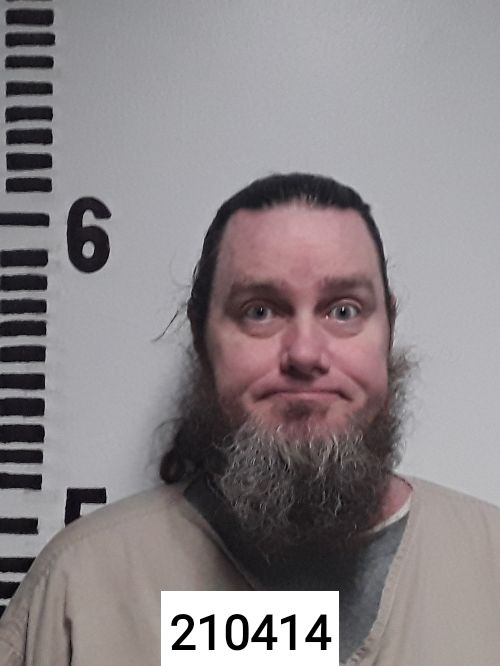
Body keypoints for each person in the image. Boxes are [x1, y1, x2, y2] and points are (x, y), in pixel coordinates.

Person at [1, 173, 499, 665]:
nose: (305, 353)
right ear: (202, 337)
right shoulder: (79, 593)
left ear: (388, 328)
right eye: (260, 312)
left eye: (344, 311)